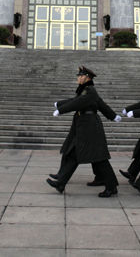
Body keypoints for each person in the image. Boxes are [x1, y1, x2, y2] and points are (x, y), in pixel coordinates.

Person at [47, 65, 121, 197]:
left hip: (90, 128)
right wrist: (60, 103)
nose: (78, 78)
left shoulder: (89, 91)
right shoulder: (86, 91)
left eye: (80, 76)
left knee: (99, 158)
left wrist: (61, 110)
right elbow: (100, 104)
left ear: (87, 78)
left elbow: (78, 103)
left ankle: (111, 186)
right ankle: (61, 183)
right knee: (73, 155)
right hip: (84, 127)